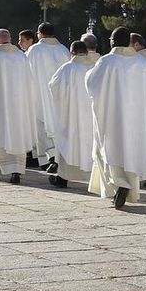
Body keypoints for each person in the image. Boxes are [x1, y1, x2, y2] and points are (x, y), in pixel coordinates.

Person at [86, 27, 146, 209]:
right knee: (130, 150)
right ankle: (129, 186)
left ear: (112, 41)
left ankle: (119, 184)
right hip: (135, 118)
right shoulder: (142, 63)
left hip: (112, 116)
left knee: (108, 149)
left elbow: (91, 84)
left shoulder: (106, 61)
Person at [0, 29, 42, 183]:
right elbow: (30, 81)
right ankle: (16, 172)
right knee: (16, 135)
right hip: (19, 106)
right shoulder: (21, 57)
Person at [47, 40, 99, 188]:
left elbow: (53, 88)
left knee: (69, 143)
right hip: (90, 117)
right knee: (90, 144)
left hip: (71, 117)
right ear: (87, 52)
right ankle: (92, 177)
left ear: (72, 53)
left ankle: (63, 179)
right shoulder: (94, 68)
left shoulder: (66, 69)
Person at [26, 22, 69, 168]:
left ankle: (47, 159)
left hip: (39, 95)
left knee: (42, 127)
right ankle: (58, 158)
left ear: (40, 33)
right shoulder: (63, 50)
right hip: (59, 96)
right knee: (58, 126)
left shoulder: (34, 50)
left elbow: (27, 72)